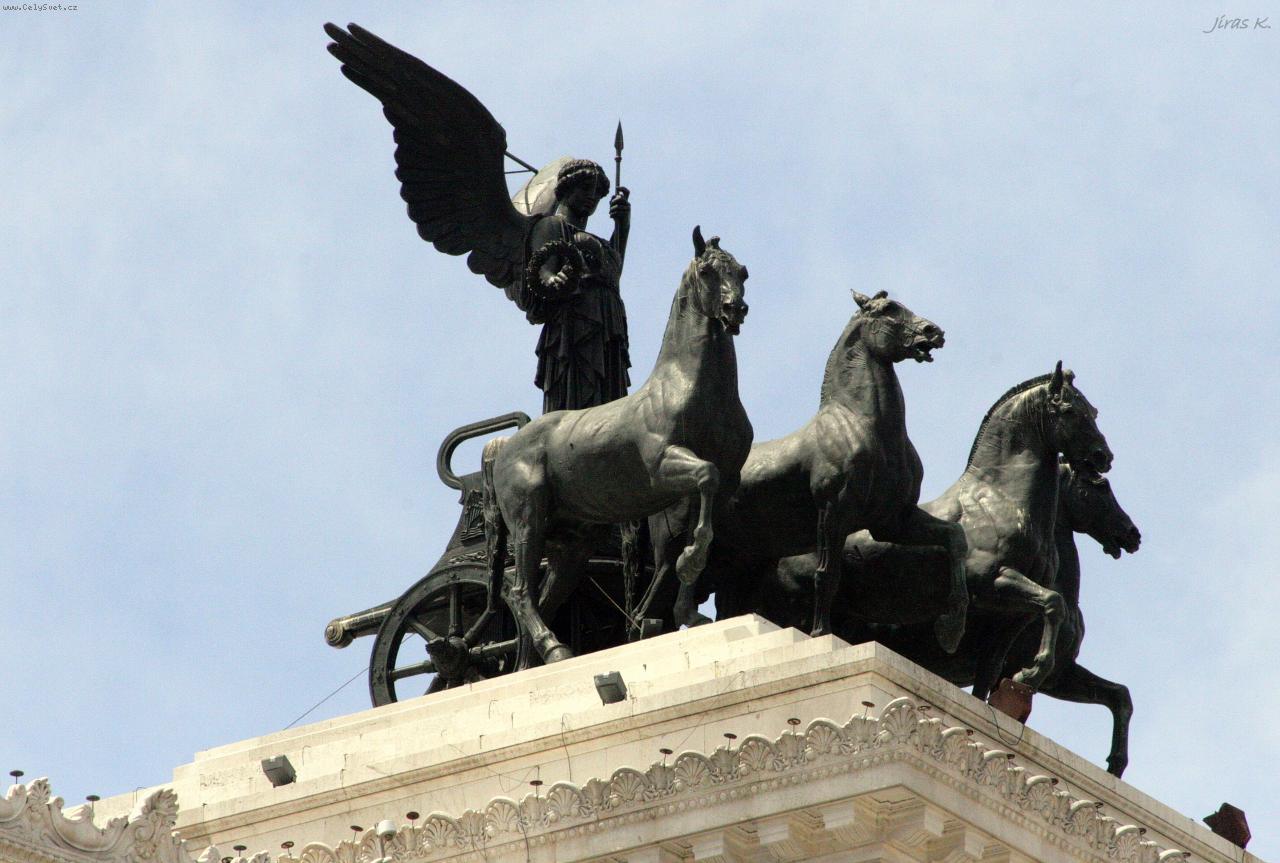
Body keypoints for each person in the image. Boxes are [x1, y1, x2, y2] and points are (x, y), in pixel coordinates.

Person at [523, 159, 632, 413]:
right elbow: (541, 269)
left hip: (608, 325)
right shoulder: (551, 225)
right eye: (585, 188)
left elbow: (612, 273)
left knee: (609, 400)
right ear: (566, 188)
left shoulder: (599, 242)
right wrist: (553, 279)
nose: (592, 197)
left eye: (597, 193)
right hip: (574, 324)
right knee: (578, 394)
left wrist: (622, 226)